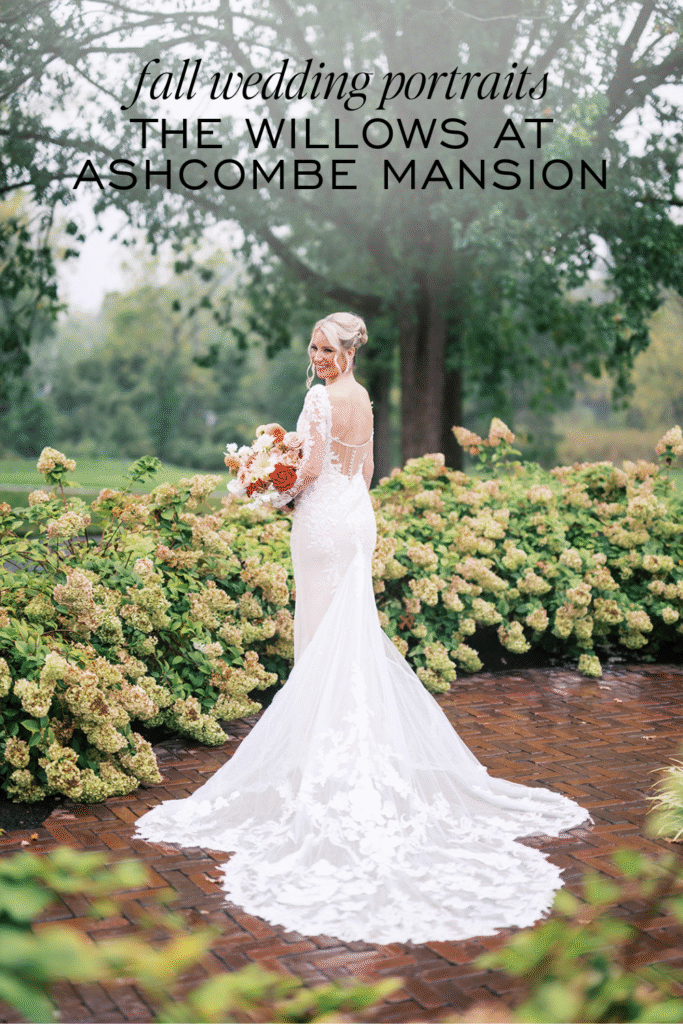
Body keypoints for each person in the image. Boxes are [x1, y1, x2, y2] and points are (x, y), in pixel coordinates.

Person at [135, 311, 589, 945]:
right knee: (347, 635)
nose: (319, 356)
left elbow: (313, 469)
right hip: (356, 517)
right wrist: (306, 482)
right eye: (315, 346)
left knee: (322, 637)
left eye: (329, 348)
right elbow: (367, 471)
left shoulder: (321, 399)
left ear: (348, 350)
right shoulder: (364, 399)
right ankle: (343, 745)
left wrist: (269, 489)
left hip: (323, 521)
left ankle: (318, 758)